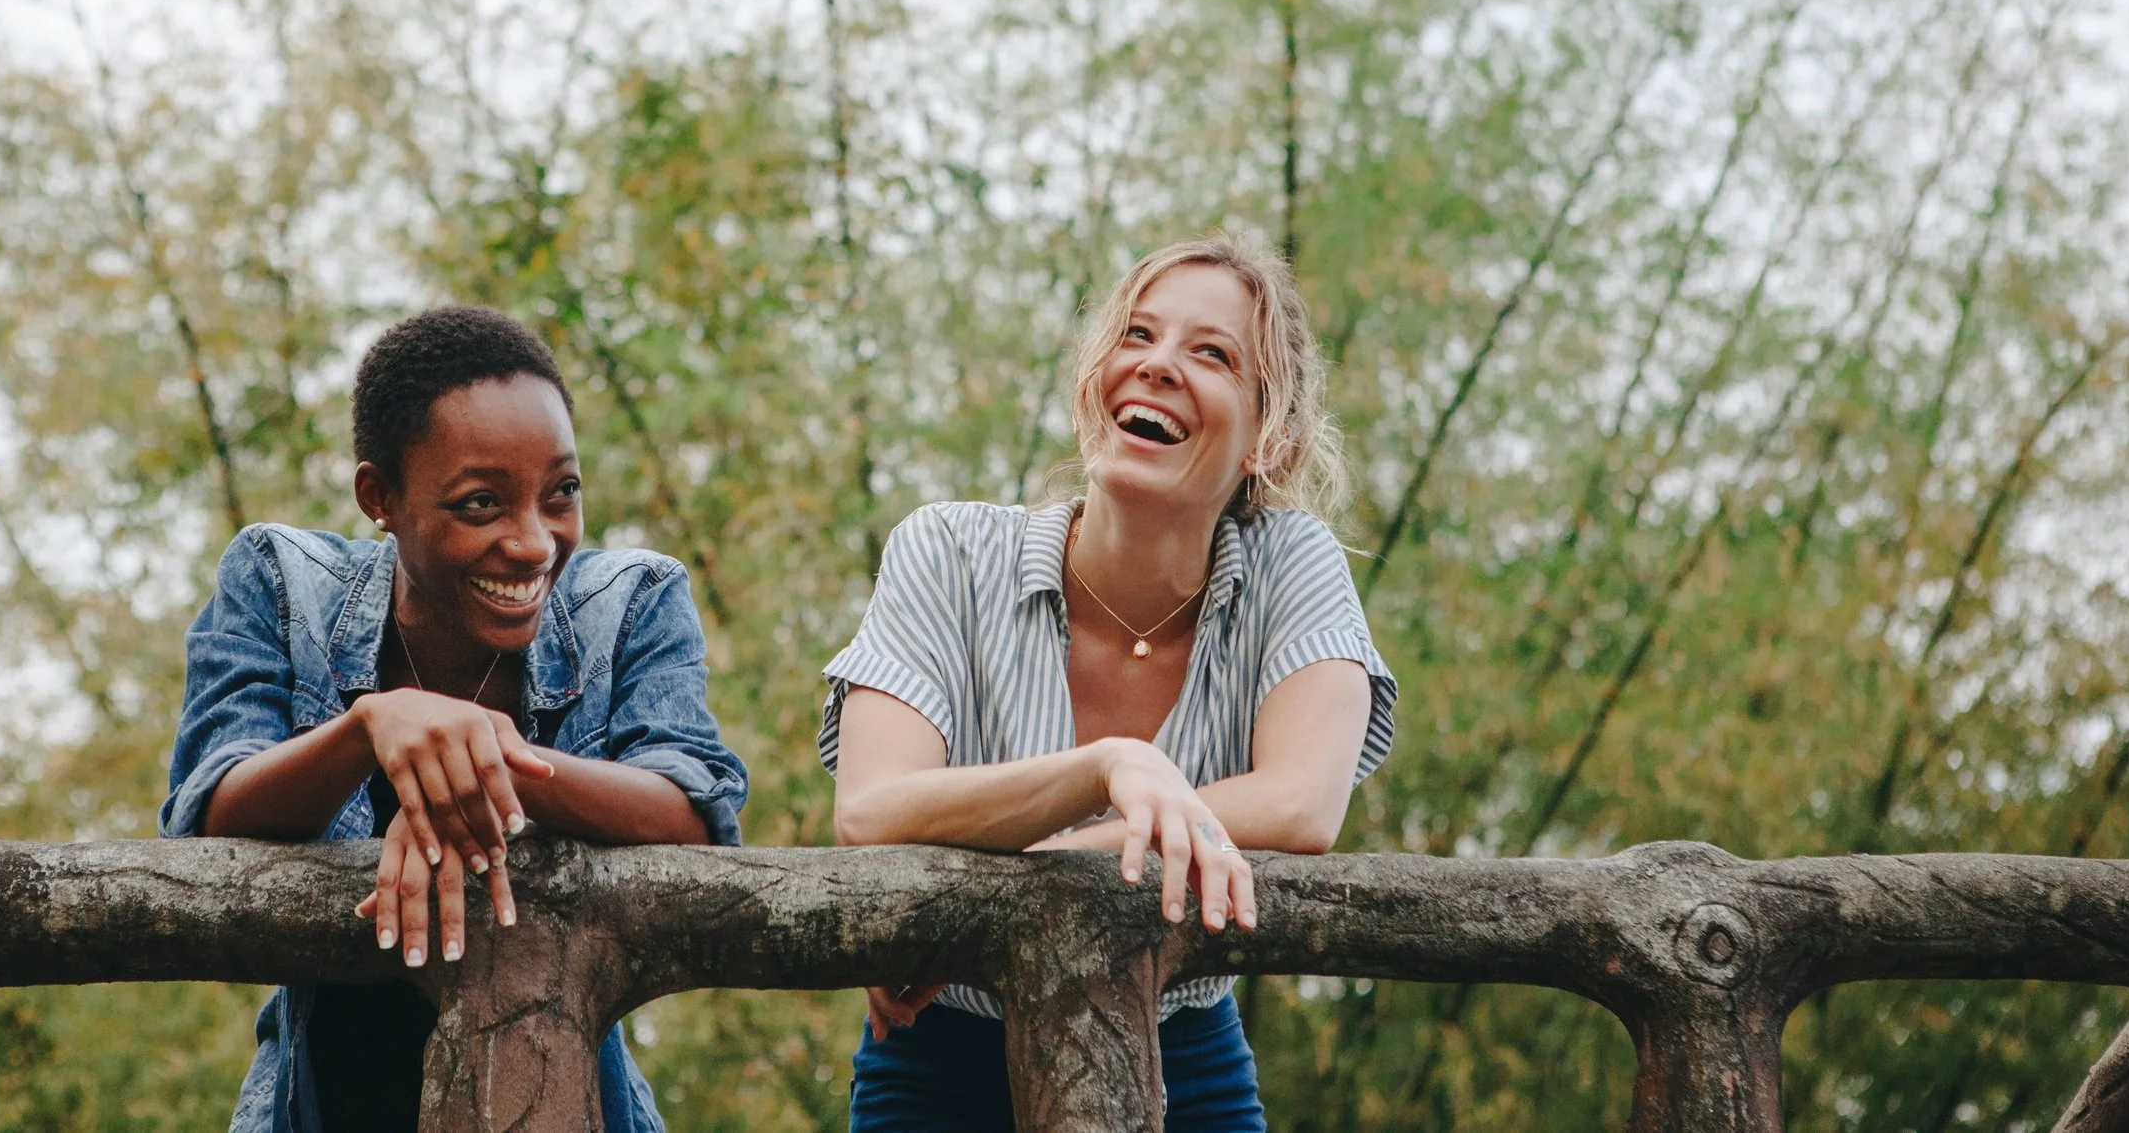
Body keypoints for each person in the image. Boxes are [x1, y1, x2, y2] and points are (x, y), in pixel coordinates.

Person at [822, 234, 1398, 1132]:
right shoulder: (944, 550)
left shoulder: (1296, 565)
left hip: (1187, 1051)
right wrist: (1108, 766)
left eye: (1212, 353)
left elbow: (1301, 806)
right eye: (1137, 335)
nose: (1158, 365)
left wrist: (1007, 894)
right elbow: (869, 809)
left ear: (1270, 439)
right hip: (937, 1054)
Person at [162, 306, 745, 1133]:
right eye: (481, 504)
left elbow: (696, 814)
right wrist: (372, 725)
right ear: (381, 496)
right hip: (319, 1099)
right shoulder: (280, 581)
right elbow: (208, 810)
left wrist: (490, 765)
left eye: (562, 493)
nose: (536, 542)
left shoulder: (636, 600)